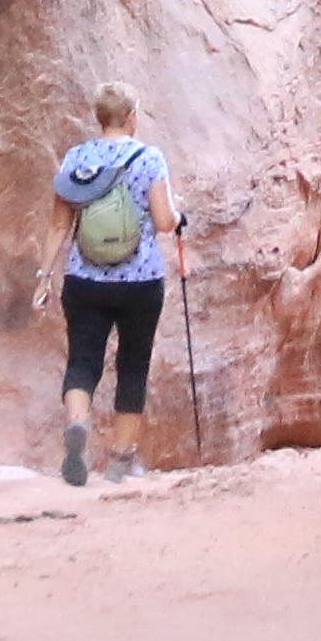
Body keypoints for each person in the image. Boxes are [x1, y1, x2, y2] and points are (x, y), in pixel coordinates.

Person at [52, 82, 182, 487]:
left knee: (82, 360)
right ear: (131, 118)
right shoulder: (149, 158)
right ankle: (119, 461)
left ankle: (78, 422)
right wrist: (179, 218)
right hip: (139, 281)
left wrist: (44, 275)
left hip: (84, 277)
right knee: (133, 365)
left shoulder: (76, 158)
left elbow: (59, 223)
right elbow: (163, 221)